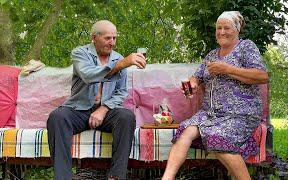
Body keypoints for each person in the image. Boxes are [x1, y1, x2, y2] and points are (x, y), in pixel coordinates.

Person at [162, 11, 269, 180]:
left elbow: (262, 76)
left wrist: (228, 69)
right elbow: (197, 76)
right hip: (210, 113)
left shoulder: (246, 47)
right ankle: (166, 178)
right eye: (218, 28)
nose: (221, 32)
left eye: (226, 27)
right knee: (185, 132)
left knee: (217, 139)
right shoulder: (212, 55)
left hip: (240, 113)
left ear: (237, 30)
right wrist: (193, 84)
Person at [47, 20, 146, 180]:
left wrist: (104, 109)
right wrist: (121, 65)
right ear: (94, 38)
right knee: (57, 117)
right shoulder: (80, 53)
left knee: (126, 117)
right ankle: (63, 177)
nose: (112, 43)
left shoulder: (118, 58)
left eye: (114, 38)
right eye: (108, 38)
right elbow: (88, 75)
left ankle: (116, 176)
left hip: (106, 112)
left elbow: (121, 92)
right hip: (78, 109)